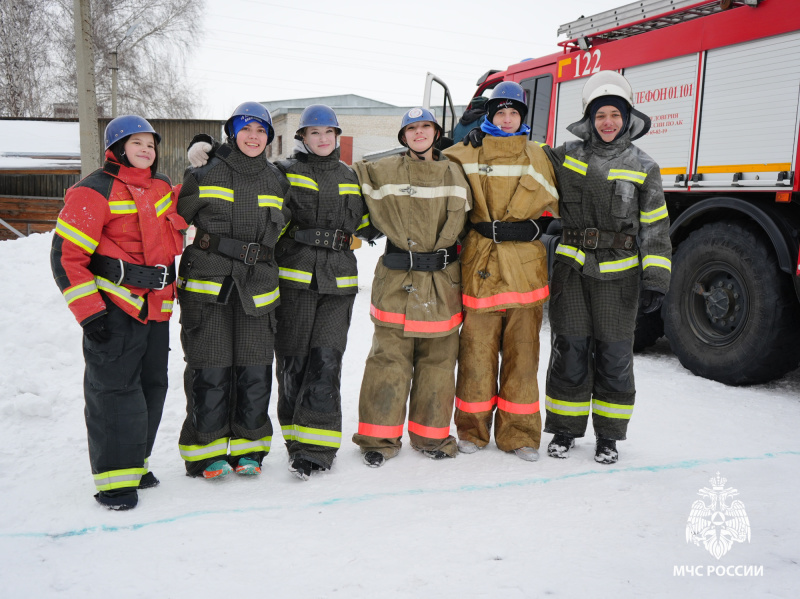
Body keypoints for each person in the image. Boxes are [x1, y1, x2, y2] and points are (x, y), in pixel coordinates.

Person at [51, 115, 186, 510]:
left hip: (156, 308)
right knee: (113, 393)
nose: (147, 150)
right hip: (114, 307)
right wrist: (90, 312)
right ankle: (114, 483)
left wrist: (209, 160)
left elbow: (189, 201)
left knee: (151, 389)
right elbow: (66, 258)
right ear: (116, 147)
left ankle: (135, 466)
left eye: (151, 144)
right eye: (137, 143)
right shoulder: (92, 191)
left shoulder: (160, 187)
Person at [542, 70, 672, 464]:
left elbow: (655, 226)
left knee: (615, 357)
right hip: (572, 272)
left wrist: (656, 279)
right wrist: (485, 140)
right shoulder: (567, 154)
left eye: (615, 114)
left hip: (620, 278)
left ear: (627, 118)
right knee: (570, 350)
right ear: (590, 120)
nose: (608, 122)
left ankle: (609, 436)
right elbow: (525, 159)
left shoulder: (644, 165)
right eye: (600, 116)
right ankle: (565, 430)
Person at [444, 81, 559, 462]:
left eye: (514, 113)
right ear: (489, 115)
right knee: (476, 353)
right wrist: (464, 133)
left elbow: (566, 191)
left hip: (525, 264)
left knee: (523, 355)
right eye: (500, 113)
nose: (507, 119)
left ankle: (520, 435)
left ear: (522, 117)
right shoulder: (469, 150)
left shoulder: (540, 154)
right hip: (482, 262)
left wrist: (541, 226)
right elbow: (438, 163)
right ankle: (472, 432)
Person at [176, 102, 291, 479]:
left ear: (269, 139)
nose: (254, 137)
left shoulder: (277, 179)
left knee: (254, 372)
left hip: (257, 289)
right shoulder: (204, 172)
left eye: (261, 131)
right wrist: (204, 146)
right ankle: (205, 453)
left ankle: (250, 450)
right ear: (232, 132)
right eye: (246, 129)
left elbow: (283, 229)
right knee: (210, 370)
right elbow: (173, 218)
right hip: (209, 285)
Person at [352, 107, 472, 467]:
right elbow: (335, 176)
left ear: (437, 133)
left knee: (438, 362)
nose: (419, 133)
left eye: (425, 127)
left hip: (442, 282)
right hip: (397, 281)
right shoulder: (380, 170)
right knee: (388, 361)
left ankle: (431, 438)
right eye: (411, 128)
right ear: (403, 137)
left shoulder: (456, 170)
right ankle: (377, 440)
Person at [273, 105, 380, 479]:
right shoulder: (284, 172)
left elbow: (370, 222)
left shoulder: (350, 176)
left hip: (338, 284)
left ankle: (317, 448)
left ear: (337, 137)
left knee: (326, 361)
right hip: (294, 280)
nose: (322, 139)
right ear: (302, 137)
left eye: (328, 133)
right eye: (313, 132)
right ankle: (294, 438)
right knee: (293, 361)